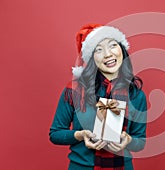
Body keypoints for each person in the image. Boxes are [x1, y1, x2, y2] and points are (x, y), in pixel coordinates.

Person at [49, 23, 147, 170]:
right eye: (99, 50)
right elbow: (55, 133)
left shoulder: (136, 95)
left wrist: (128, 140)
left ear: (122, 50)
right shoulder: (74, 91)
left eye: (112, 45)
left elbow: (140, 141)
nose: (108, 54)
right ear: (92, 58)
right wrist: (80, 135)